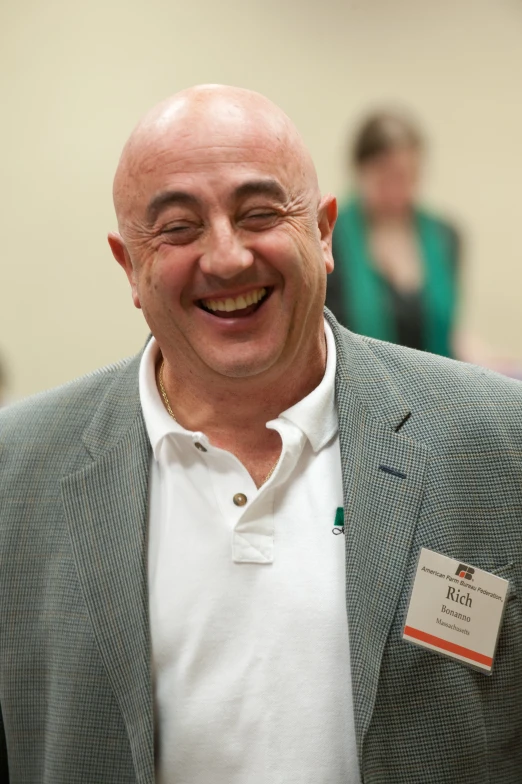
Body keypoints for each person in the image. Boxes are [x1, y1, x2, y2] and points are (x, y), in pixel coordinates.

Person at [0, 85, 521, 784]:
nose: (227, 258)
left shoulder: (498, 446)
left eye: (259, 214)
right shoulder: (16, 474)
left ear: (325, 232)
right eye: (179, 228)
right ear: (128, 266)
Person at [326, 110, 460, 356]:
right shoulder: (329, 237)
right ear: (360, 170)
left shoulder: (445, 237)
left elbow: (445, 328)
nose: (398, 190)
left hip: (434, 383)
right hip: (359, 381)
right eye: (387, 177)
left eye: (408, 176)